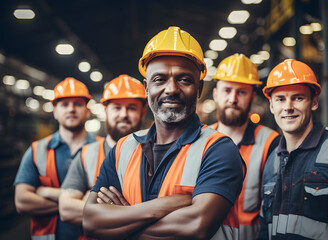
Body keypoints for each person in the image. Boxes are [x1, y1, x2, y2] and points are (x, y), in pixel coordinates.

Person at [82, 26, 244, 240]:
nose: (171, 89)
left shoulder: (218, 149)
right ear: (146, 88)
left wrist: (122, 222)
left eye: (184, 79)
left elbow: (196, 225)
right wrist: (162, 206)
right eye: (159, 79)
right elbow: (91, 222)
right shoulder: (123, 148)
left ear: (199, 88)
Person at [258, 59, 328, 239]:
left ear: (314, 102)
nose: (288, 107)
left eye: (298, 98)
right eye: (280, 99)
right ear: (272, 106)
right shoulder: (273, 160)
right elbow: (265, 229)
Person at [58, 75, 147, 230]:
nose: (124, 114)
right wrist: (140, 212)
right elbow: (66, 210)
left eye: (131, 107)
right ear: (106, 111)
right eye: (117, 107)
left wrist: (97, 207)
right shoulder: (87, 154)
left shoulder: (158, 152)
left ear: (143, 112)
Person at [14, 77, 98, 240]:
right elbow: (22, 202)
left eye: (78, 104)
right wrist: (74, 202)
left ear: (87, 111)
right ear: (55, 111)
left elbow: (109, 204)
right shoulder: (37, 150)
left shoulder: (105, 149)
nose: (71, 109)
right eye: (64, 104)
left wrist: (46, 192)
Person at [211, 53, 279, 239]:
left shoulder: (270, 142)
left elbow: (274, 209)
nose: (233, 99)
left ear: (252, 96)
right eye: (227, 90)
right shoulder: (199, 140)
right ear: (215, 94)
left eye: (241, 92)